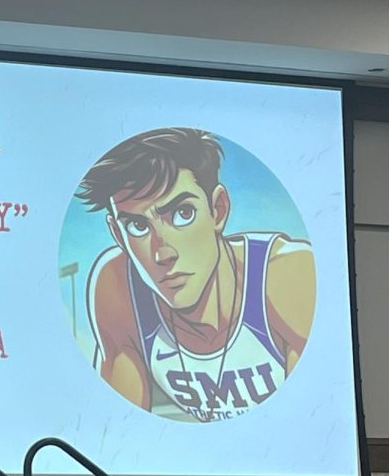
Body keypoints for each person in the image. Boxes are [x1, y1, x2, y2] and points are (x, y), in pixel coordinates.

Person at [79, 127, 316, 423]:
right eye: (137, 227)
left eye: (182, 214)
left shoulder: (285, 275)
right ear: (117, 234)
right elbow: (116, 432)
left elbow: (313, 424)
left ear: (218, 210)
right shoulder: (118, 287)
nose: (162, 253)